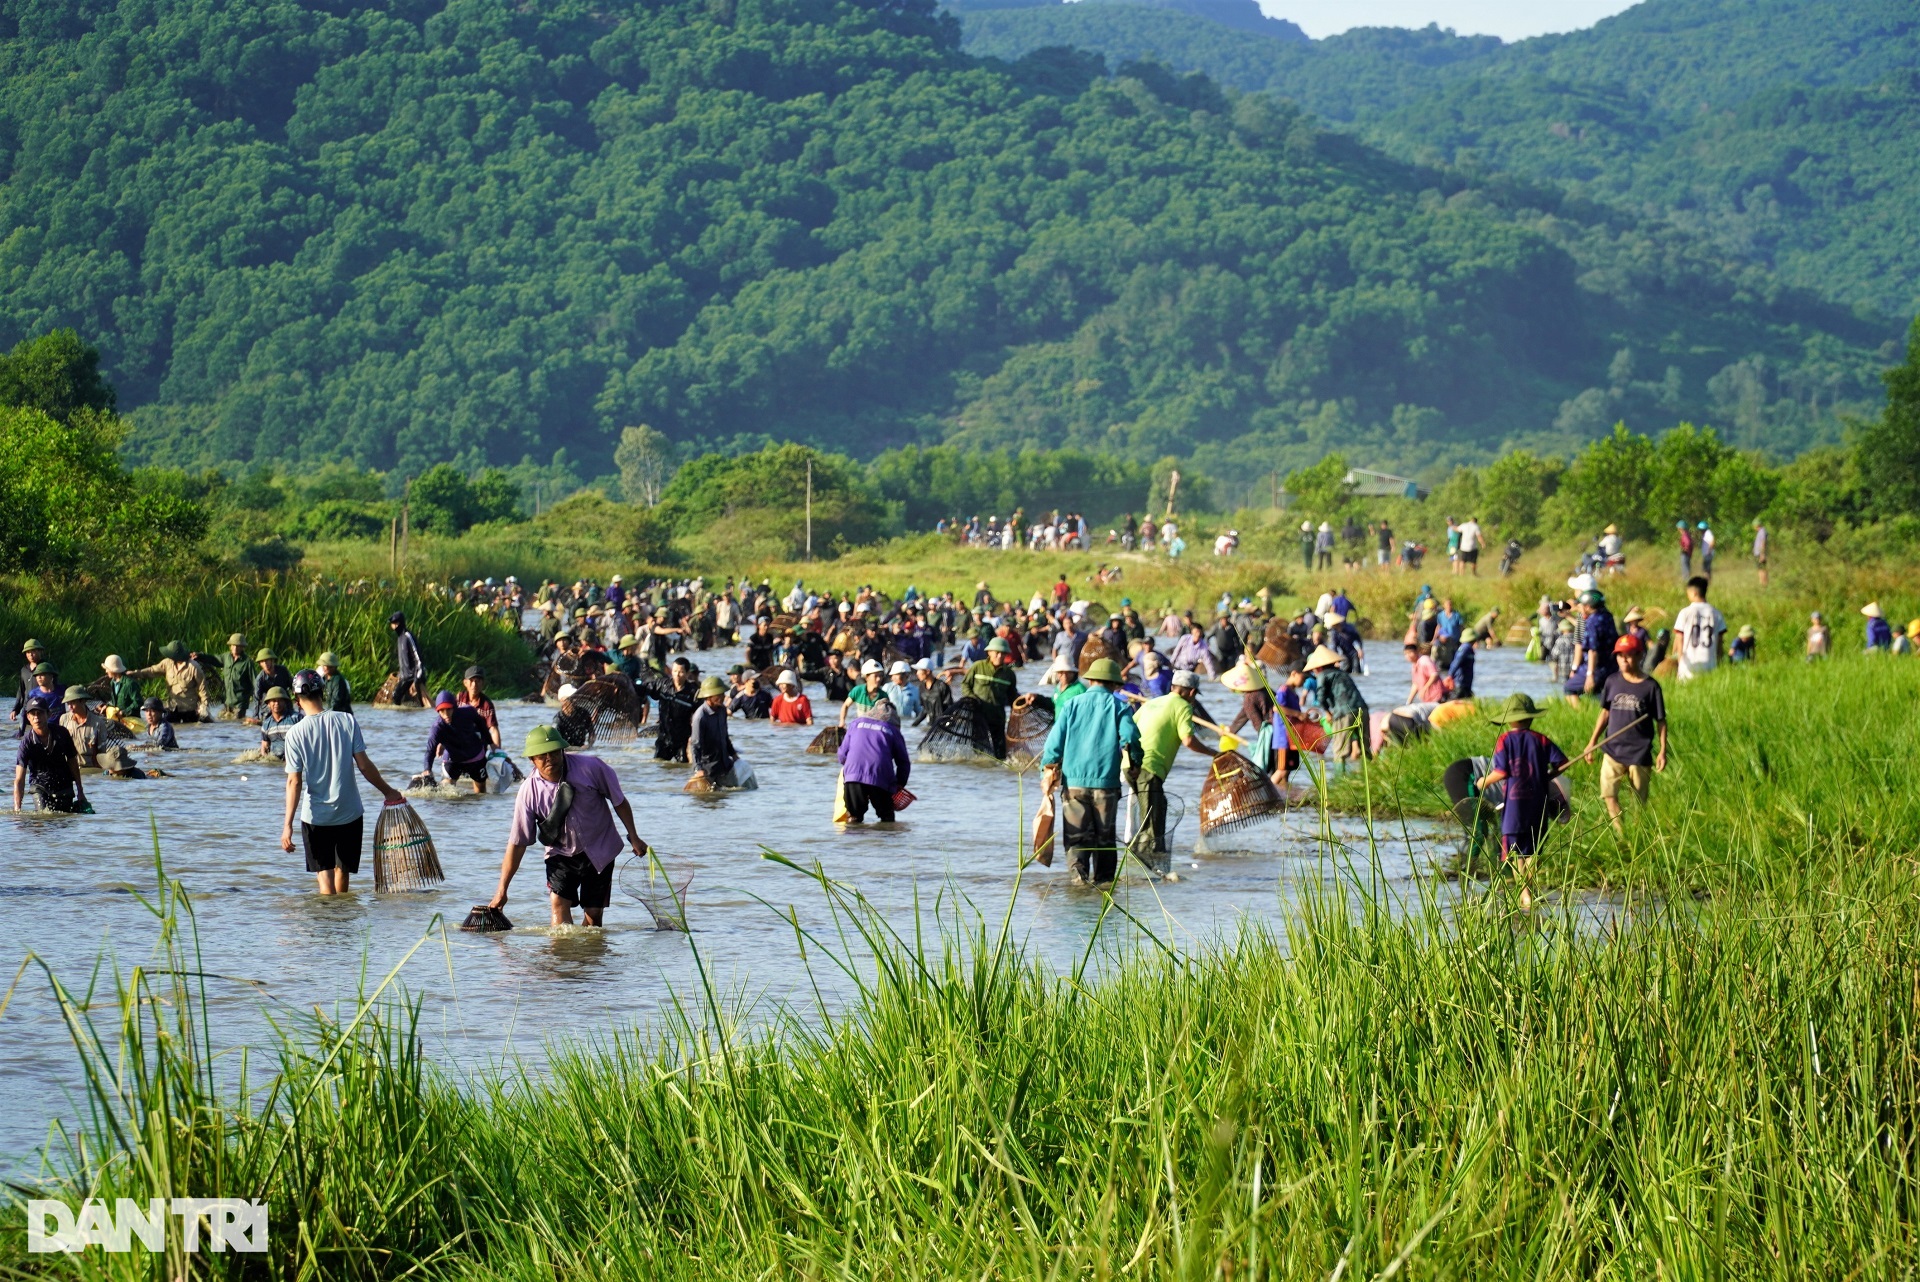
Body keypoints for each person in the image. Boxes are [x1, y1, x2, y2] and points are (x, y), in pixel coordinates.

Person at [488, 724, 650, 928]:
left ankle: (584, 958)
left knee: (593, 914)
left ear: (562, 750)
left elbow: (619, 801)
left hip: (599, 849)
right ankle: (562, 957)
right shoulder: (528, 791)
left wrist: (633, 836)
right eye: (542, 755)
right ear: (532, 760)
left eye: (554, 752)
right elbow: (518, 842)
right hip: (560, 854)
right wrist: (502, 889)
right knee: (558, 903)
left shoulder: (591, 767)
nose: (550, 759)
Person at [280, 670, 405, 895]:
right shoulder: (347, 720)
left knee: (324, 875)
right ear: (322, 693)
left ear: (297, 700)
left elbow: (294, 782)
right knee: (342, 872)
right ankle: (342, 925)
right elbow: (365, 766)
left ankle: (328, 925)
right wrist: (389, 791)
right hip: (349, 813)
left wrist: (287, 825)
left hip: (316, 817)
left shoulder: (295, 734)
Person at [1040, 659, 1141, 885]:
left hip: (1073, 784)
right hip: (1106, 784)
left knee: (1076, 838)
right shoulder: (1120, 706)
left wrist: (1046, 771)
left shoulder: (1072, 705)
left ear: (1091, 679)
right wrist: (1135, 765)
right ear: (1114, 684)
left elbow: (1053, 746)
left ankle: (1079, 884)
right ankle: (1104, 886)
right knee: (1104, 839)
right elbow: (1131, 740)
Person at [1476, 693, 1568, 909]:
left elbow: (1501, 771)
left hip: (1515, 805)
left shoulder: (1504, 740)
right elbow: (1563, 763)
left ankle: (1524, 894)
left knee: (1514, 849)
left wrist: (1483, 782)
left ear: (1509, 719)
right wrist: (1546, 776)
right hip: (1538, 801)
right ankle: (1527, 892)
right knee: (1532, 848)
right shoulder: (1541, 739)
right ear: (1530, 717)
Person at [1583, 636, 1667, 834]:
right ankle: (1621, 834)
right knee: (1609, 794)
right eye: (1620, 656)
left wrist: (1662, 751)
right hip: (1613, 750)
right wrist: (1592, 742)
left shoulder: (1651, 686)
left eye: (1628, 656)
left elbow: (1661, 721)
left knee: (1639, 800)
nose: (1623, 660)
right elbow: (1604, 713)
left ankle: (1638, 834)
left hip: (1640, 752)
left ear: (1639, 656)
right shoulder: (1612, 682)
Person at [1132, 671, 1213, 862]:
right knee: (1152, 819)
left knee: (1158, 808)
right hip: (1150, 766)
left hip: (1131, 765)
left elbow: (1129, 728)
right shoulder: (1183, 706)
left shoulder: (1151, 702)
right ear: (1191, 692)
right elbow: (1189, 741)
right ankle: (1149, 863)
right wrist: (1213, 753)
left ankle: (1152, 858)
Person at [837, 697, 913, 823]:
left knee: (854, 817)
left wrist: (852, 771)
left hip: (853, 775)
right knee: (887, 818)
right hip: (881, 776)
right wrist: (899, 784)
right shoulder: (893, 730)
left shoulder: (856, 723)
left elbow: (842, 755)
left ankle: (851, 841)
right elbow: (903, 763)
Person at [13, 698, 87, 813]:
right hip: (39, 786)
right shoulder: (26, 743)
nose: (36, 717)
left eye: (40, 713)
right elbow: (19, 779)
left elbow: (72, 761)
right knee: (43, 817)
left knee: (65, 820)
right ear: (28, 717)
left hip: (64, 785)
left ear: (49, 714)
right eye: (33, 714)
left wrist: (80, 791)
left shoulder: (62, 734)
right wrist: (17, 808)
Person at [422, 690, 492, 792]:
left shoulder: (469, 712)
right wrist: (427, 769)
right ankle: (437, 788)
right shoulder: (437, 727)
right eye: (442, 711)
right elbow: (430, 750)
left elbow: (482, 726)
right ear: (437, 711)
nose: (446, 714)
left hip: (475, 756)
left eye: (449, 709)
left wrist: (491, 743)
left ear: (454, 707)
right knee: (448, 790)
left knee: (481, 793)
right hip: (452, 759)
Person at [1305, 645, 1367, 760]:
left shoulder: (1322, 675)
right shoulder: (1342, 673)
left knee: (1340, 751)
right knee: (1364, 748)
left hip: (1344, 712)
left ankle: (1340, 777)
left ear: (1318, 668)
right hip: (1362, 709)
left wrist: (1328, 713)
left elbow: (1321, 697)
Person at [61, 687, 140, 776]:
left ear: (82, 701)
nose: (70, 707)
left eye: (73, 702)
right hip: (71, 766)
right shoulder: (64, 719)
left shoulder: (97, 723)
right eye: (68, 703)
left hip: (90, 768)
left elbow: (101, 753)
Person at [962, 637, 1018, 759]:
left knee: (999, 754)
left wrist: (1023, 701)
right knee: (979, 752)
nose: (999, 656)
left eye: (1003, 653)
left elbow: (1012, 696)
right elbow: (965, 685)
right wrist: (972, 698)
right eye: (996, 652)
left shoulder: (1009, 674)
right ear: (989, 653)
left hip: (997, 717)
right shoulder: (977, 667)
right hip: (978, 716)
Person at [127, 641, 211, 721]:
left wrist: (204, 707)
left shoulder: (193, 667)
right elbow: (152, 671)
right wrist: (135, 673)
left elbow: (202, 688)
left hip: (189, 710)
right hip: (173, 708)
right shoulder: (167, 663)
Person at [690, 676, 746, 786]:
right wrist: (698, 769)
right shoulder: (700, 717)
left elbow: (725, 736)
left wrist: (733, 754)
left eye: (722, 694)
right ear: (709, 697)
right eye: (719, 695)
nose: (723, 697)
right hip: (708, 767)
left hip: (724, 763)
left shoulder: (722, 711)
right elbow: (695, 745)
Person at [1565, 590, 1619, 702]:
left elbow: (1593, 650)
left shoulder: (1592, 622)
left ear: (1588, 606)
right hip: (1612, 665)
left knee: (1569, 688)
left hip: (1597, 667)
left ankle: (1581, 714)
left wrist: (1590, 675)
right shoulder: (1608, 616)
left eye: (1582, 605)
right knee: (1597, 693)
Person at [1673, 577, 1725, 679]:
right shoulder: (1716, 614)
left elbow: (1679, 639)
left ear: (1694, 593)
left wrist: (1680, 660)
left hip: (1689, 664)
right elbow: (1720, 642)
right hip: (1710, 664)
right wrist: (1719, 661)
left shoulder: (1685, 613)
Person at [653, 658, 699, 761]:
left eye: (681, 672)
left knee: (682, 768)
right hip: (664, 738)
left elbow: (700, 716)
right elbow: (644, 689)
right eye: (674, 671)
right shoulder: (662, 685)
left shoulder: (693, 692)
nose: (677, 675)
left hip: (682, 741)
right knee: (658, 764)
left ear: (687, 673)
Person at [13, 638, 54, 733]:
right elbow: (21, 691)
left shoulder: (46, 668)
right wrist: (15, 709)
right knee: (22, 735)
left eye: (33, 651)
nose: (30, 654)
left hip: (42, 709)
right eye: (28, 652)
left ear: (40, 651)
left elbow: (53, 689)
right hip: (27, 709)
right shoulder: (24, 670)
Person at [456, 665, 501, 747]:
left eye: (478, 681)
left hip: (478, 745)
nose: (474, 684)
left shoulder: (487, 705)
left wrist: (497, 751)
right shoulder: (460, 698)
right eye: (471, 680)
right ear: (465, 683)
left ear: (482, 683)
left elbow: (493, 730)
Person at [256, 686, 301, 760]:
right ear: (268, 704)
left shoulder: (296, 718)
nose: (277, 703)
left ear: (285, 702)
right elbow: (264, 747)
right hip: (275, 763)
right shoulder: (266, 725)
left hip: (294, 760)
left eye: (280, 700)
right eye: (273, 700)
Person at [390, 612, 425, 706]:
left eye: (395, 623)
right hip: (404, 677)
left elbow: (418, 657)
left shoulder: (407, 636)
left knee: (396, 697)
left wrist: (416, 679)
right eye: (392, 624)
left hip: (412, 677)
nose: (393, 626)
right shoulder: (399, 638)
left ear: (400, 623)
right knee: (401, 700)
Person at [841, 659, 891, 725]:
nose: (879, 679)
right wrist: (842, 721)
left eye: (880, 676)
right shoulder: (858, 691)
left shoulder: (883, 696)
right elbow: (846, 705)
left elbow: (887, 717)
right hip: (860, 726)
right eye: (875, 676)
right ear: (867, 677)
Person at [216, 632, 252, 720]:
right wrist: (199, 656)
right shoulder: (226, 657)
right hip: (227, 702)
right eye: (233, 645)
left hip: (240, 703)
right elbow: (213, 659)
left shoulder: (247, 662)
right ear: (230, 646)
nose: (235, 648)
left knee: (237, 721)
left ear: (242, 647)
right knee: (219, 719)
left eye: (238, 646)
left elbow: (255, 681)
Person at [100, 654, 142, 719]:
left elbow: (138, 702)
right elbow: (115, 701)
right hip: (119, 720)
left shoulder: (130, 684)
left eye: (107, 669)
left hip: (131, 721)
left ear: (113, 670)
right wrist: (107, 706)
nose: (106, 671)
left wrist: (123, 712)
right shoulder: (112, 683)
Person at [913, 658, 950, 727]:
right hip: (930, 724)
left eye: (919, 670)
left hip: (943, 725)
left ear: (927, 671)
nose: (917, 673)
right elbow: (925, 709)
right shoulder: (921, 688)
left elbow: (949, 707)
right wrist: (914, 725)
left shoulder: (942, 686)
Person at [1446, 629, 1477, 700]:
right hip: (1460, 682)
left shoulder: (1469, 649)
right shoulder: (1465, 648)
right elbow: (1456, 662)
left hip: (1466, 682)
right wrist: (1450, 675)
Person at [1751, 519, 1769, 587]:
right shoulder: (1761, 532)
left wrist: (1762, 554)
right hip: (1759, 554)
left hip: (1760, 554)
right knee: (1760, 569)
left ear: (1756, 525)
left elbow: (1763, 543)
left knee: (1762, 569)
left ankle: (1763, 584)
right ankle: (1762, 583)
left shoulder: (1762, 532)